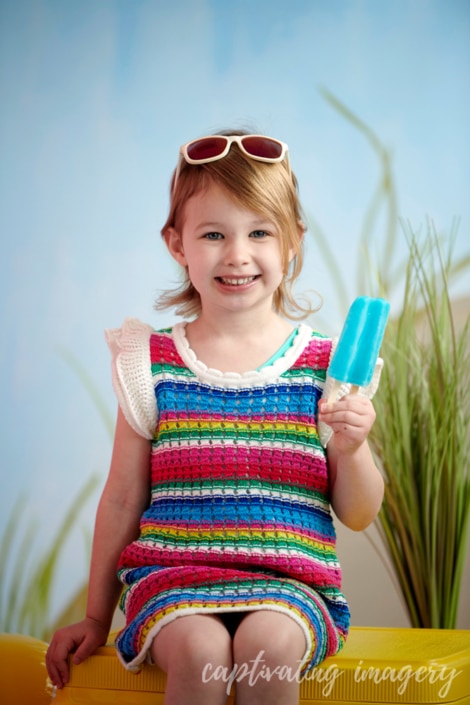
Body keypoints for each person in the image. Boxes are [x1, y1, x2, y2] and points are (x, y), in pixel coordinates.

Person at [46, 131, 385, 705]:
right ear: (176, 244)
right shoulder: (150, 364)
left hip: (289, 584)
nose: (237, 254)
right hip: (176, 580)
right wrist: (95, 616)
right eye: (213, 234)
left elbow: (357, 513)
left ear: (293, 242)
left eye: (259, 232)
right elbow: (124, 499)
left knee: (269, 646)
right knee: (201, 655)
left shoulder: (328, 371)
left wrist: (352, 449)